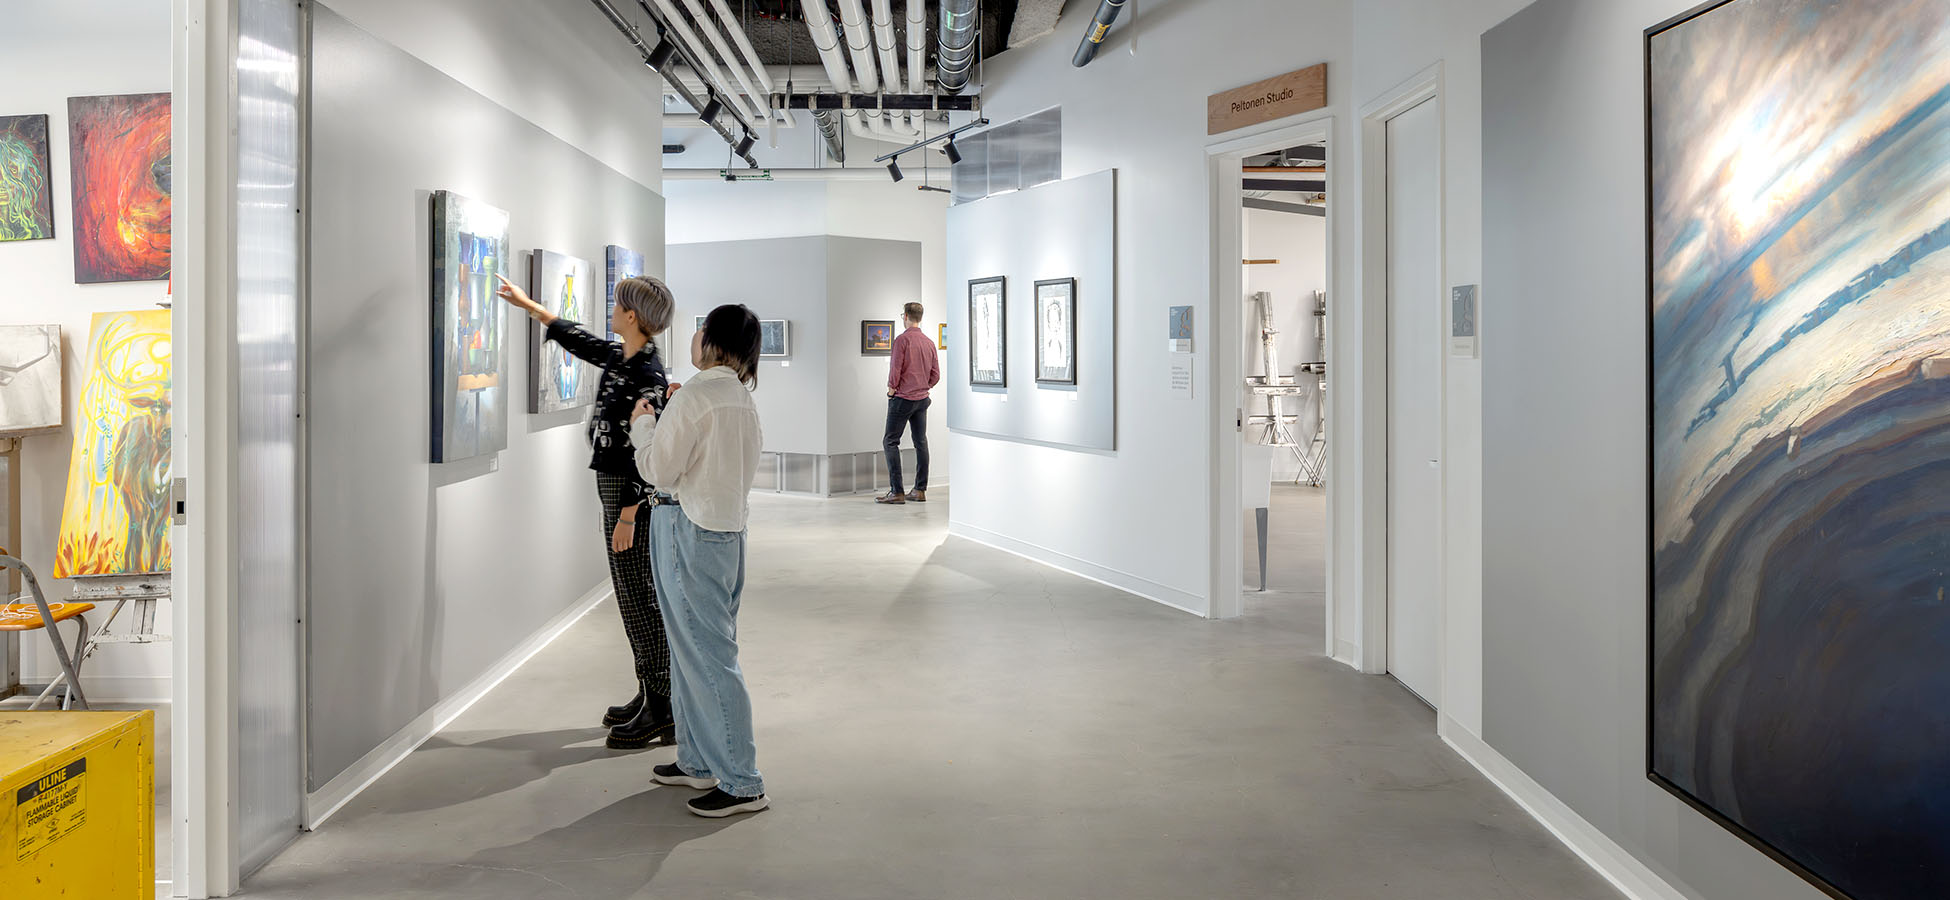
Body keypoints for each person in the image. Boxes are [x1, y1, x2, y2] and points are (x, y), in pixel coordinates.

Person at [495, 272, 676, 750]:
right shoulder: (624, 357)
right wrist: (528, 304)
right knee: (631, 594)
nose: (611, 311)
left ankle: (663, 706)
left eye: (617, 305)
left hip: (629, 495)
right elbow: (580, 340)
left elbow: (649, 452)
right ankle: (650, 692)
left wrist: (630, 513)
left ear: (633, 316)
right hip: (615, 488)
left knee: (638, 597)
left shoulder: (648, 374)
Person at [630, 304, 769, 818]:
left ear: (710, 338)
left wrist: (645, 427)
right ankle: (696, 758)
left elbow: (659, 470)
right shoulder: (737, 397)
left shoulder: (694, 397)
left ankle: (741, 780)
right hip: (726, 531)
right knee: (694, 649)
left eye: (699, 327)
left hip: (686, 528)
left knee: (707, 658)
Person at [876, 301, 940, 505]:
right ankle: (920, 490)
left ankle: (897, 491)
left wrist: (891, 389)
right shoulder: (929, 342)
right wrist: (923, 385)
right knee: (920, 442)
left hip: (903, 398)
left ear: (905, 316)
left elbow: (895, 369)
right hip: (922, 399)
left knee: (890, 442)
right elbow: (936, 375)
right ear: (920, 317)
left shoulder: (902, 341)